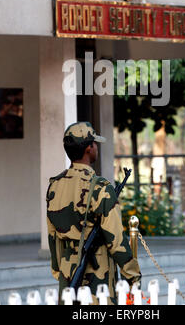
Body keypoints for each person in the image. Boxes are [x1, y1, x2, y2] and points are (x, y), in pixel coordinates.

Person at [46, 122, 141, 305]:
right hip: (99, 278)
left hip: (67, 272)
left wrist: (59, 270)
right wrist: (132, 276)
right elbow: (116, 240)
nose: (96, 147)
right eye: (94, 143)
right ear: (89, 148)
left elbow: (53, 236)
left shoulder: (54, 186)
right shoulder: (100, 187)